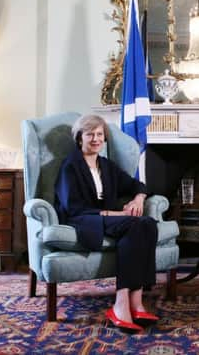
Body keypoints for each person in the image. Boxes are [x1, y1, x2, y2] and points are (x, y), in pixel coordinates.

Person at [54, 114, 159, 332]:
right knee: (136, 223)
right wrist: (116, 214)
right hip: (84, 219)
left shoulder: (106, 166)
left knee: (147, 223)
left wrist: (138, 199)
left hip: (108, 217)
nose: (95, 139)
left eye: (99, 134)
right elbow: (73, 207)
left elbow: (137, 185)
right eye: (90, 134)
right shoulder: (70, 166)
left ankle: (136, 301)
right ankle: (121, 302)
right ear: (79, 138)